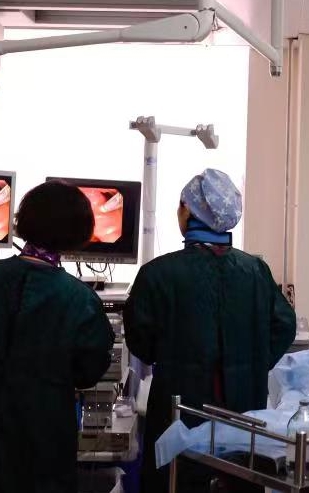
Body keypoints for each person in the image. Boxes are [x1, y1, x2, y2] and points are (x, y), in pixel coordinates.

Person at [124, 168, 297, 493]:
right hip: (243, 410)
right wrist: (251, 363)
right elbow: (285, 324)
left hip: (179, 410)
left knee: (176, 479)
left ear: (188, 211)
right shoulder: (255, 271)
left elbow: (140, 341)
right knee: (238, 479)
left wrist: (173, 354)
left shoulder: (157, 273)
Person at [0, 180, 114, 493]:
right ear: (79, 231)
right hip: (39, 448)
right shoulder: (79, 300)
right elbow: (89, 371)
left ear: (24, 220)